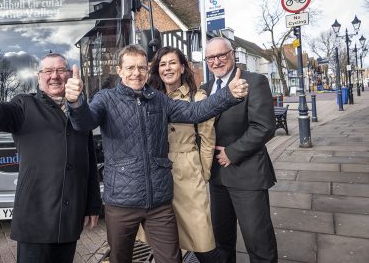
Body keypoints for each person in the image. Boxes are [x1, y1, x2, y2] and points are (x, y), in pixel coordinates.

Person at [65, 44, 249, 263]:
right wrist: (76, 102)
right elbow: (85, 122)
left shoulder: (158, 99)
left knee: (171, 259)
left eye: (142, 68)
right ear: (119, 70)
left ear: (147, 69)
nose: (136, 73)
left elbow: (195, 112)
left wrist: (228, 94)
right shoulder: (105, 99)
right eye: (130, 68)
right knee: (120, 258)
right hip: (122, 202)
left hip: (159, 203)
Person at [0, 43, 101, 263]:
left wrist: (92, 205)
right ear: (39, 77)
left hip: (69, 217)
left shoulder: (80, 111)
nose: (55, 76)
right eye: (48, 71)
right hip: (35, 219)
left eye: (60, 70)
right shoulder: (24, 106)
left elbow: (88, 161)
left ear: (69, 75)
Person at [201, 37, 278, 263]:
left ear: (233, 54)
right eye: (211, 57)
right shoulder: (204, 89)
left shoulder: (254, 81)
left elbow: (264, 126)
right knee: (222, 242)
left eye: (221, 55)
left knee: (258, 242)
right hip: (216, 178)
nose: (216, 61)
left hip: (247, 175)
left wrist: (232, 153)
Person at [147, 46, 220, 262]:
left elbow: (207, 138)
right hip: (159, 174)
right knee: (167, 242)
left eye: (172, 63)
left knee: (202, 239)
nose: (167, 68)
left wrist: (203, 174)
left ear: (182, 67)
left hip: (189, 173)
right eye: (162, 64)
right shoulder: (151, 97)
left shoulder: (197, 97)